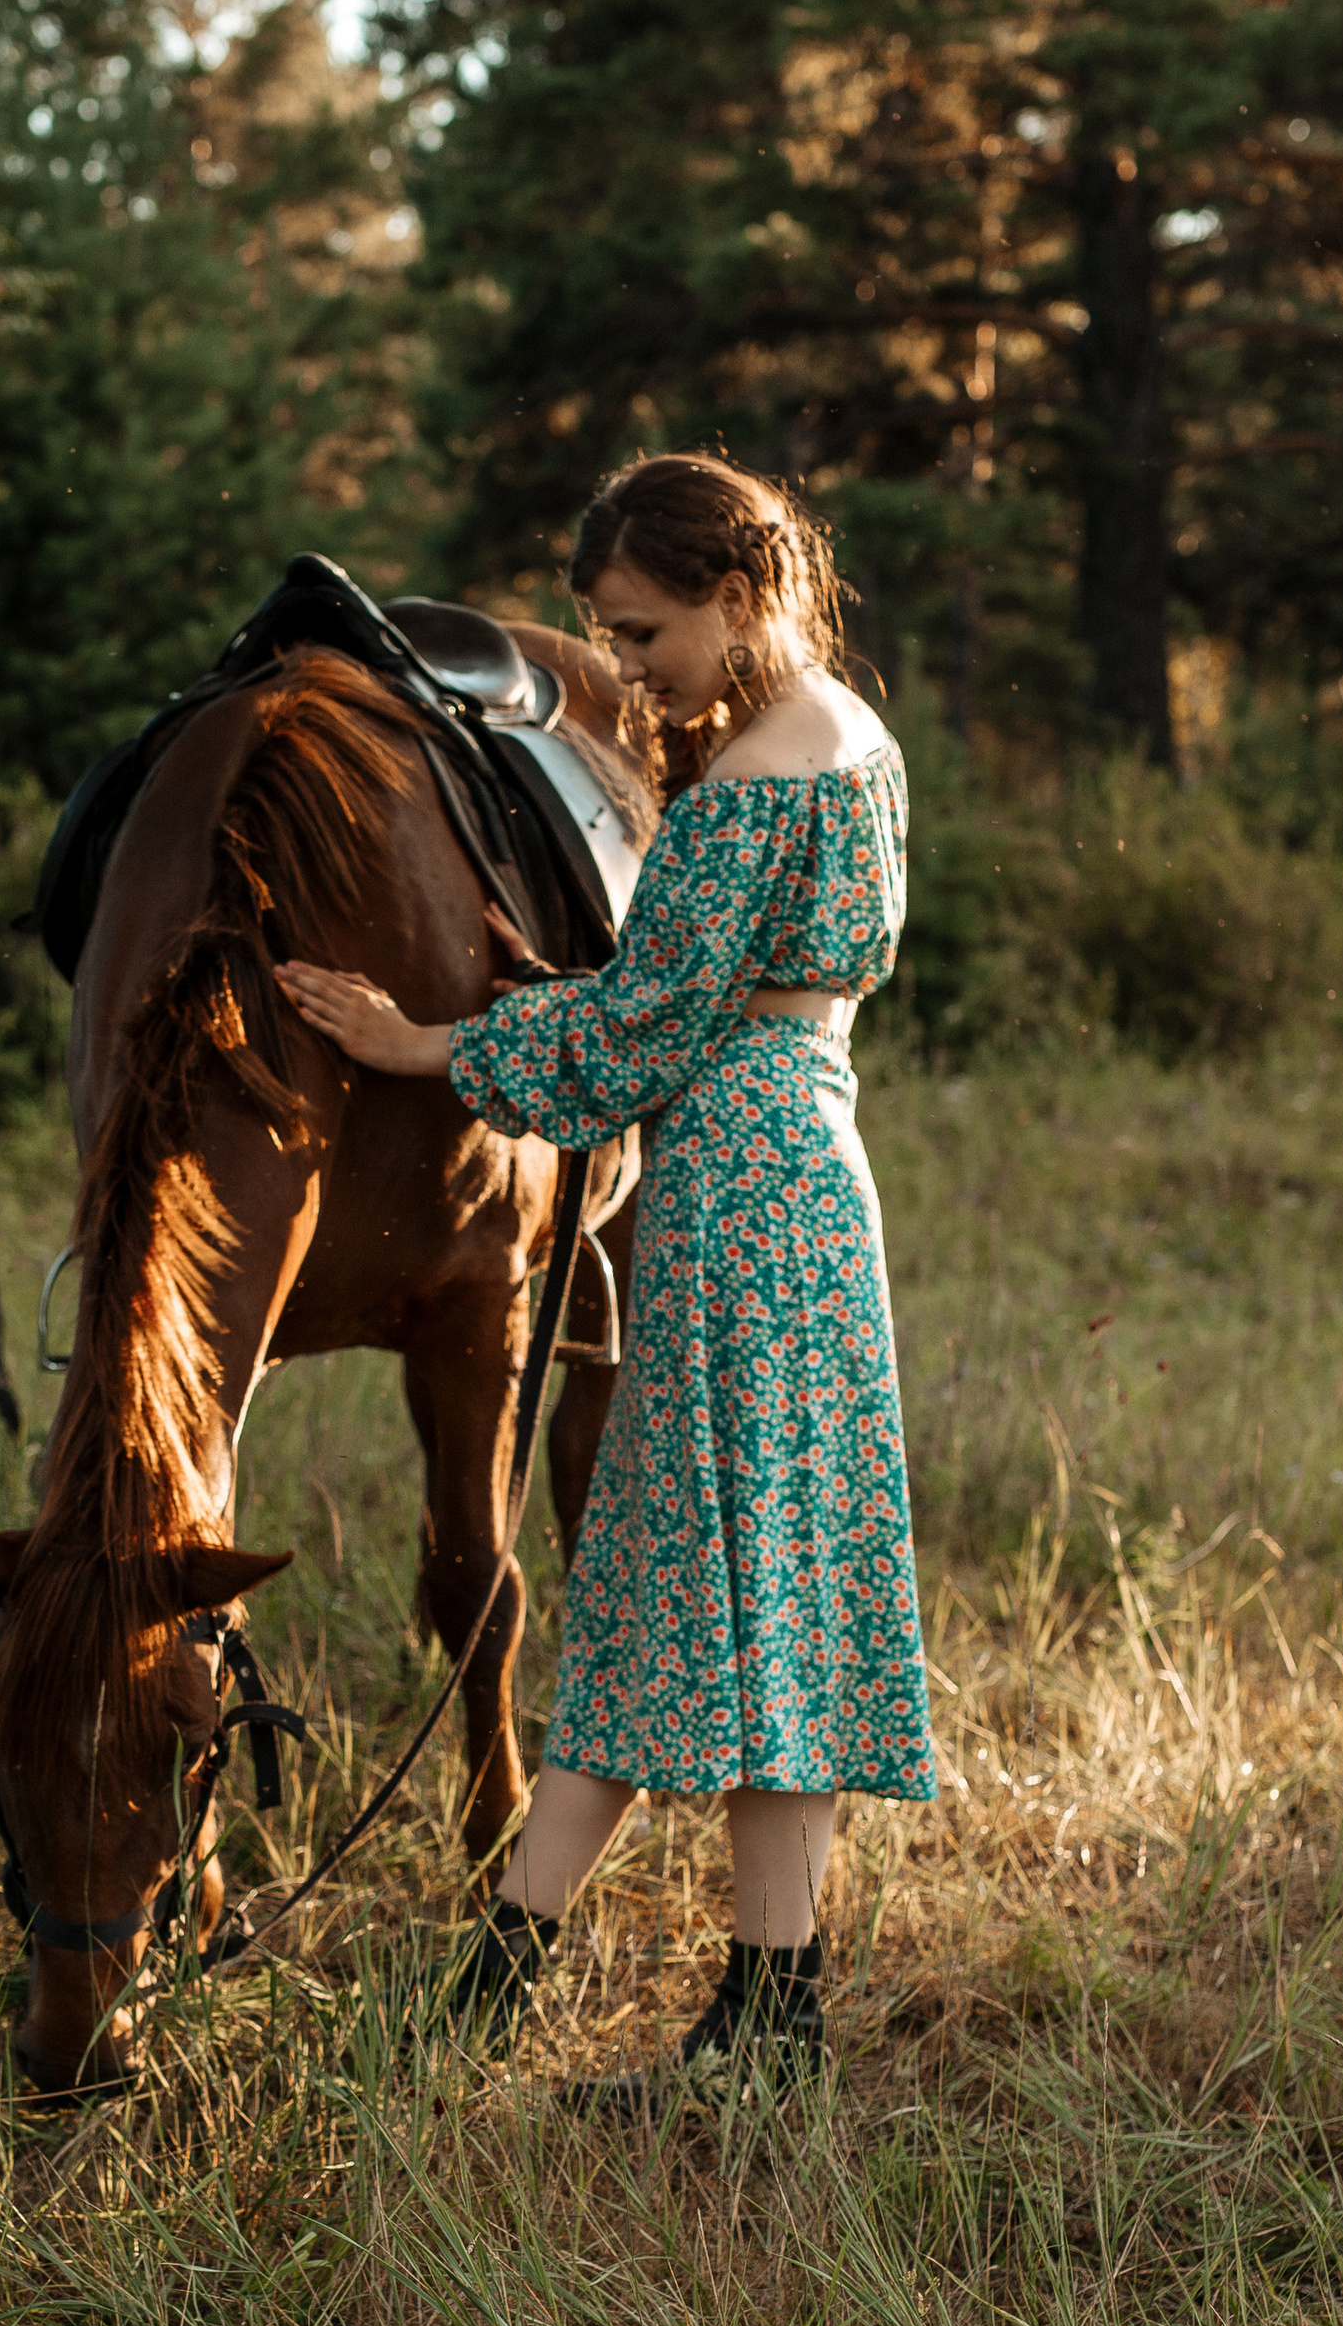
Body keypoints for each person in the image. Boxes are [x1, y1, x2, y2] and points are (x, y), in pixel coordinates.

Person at [276, 451, 939, 2101]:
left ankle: (490, 2000)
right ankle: (753, 2021)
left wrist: (420, 1038)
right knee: (768, 1601)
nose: (627, 668)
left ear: (740, 596)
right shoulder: (856, 742)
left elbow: (641, 1038)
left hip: (726, 1205)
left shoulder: (742, 791)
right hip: (814, 1183)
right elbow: (727, 991)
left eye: (642, 633)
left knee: (661, 1594)